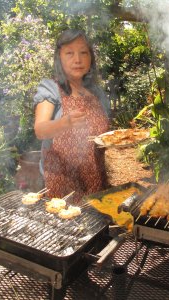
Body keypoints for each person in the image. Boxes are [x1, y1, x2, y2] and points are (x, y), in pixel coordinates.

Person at [33, 29, 110, 203]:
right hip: (61, 186)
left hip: (96, 182)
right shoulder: (50, 88)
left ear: (91, 58)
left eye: (84, 52)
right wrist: (64, 123)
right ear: (59, 58)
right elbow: (40, 130)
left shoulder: (97, 93)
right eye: (69, 53)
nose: (78, 59)